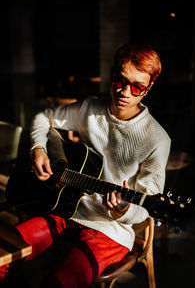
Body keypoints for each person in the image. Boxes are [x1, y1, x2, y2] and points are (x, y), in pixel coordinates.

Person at [2, 43, 171, 287]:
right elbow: (43, 116)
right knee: (5, 251)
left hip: (109, 230)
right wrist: (38, 149)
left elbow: (147, 208)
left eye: (137, 87)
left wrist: (124, 209)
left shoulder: (157, 139)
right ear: (113, 75)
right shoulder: (90, 110)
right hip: (64, 207)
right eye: (120, 81)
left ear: (149, 87)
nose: (125, 92)